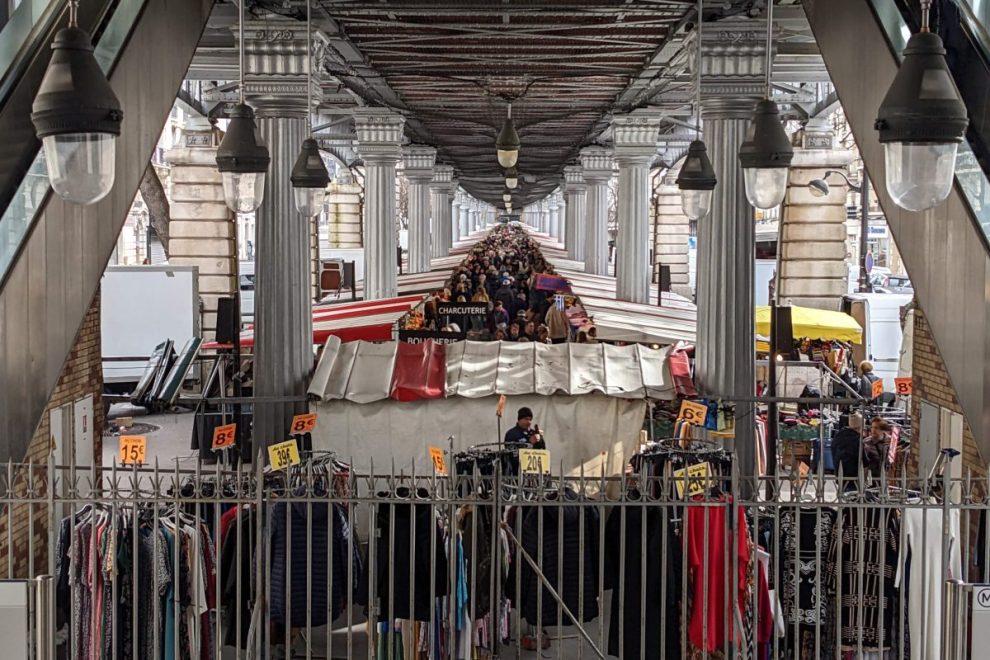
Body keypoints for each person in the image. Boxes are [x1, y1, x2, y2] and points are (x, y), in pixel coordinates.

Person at [831, 413, 863, 490]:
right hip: (853, 479)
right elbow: (864, 460)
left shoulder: (838, 436)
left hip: (840, 475)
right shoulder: (856, 439)